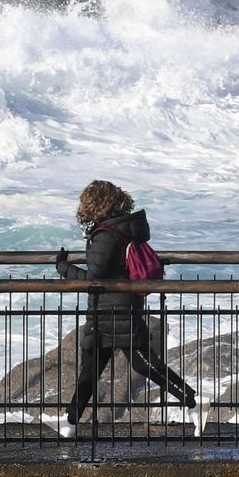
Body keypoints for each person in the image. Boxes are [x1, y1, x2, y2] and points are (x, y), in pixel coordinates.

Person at [55, 179, 202, 434]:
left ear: (96, 204)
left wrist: (63, 267)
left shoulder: (106, 234)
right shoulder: (123, 229)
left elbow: (94, 278)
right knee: (91, 370)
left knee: (142, 365)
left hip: (113, 313)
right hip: (114, 311)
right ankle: (69, 422)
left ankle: (193, 400)